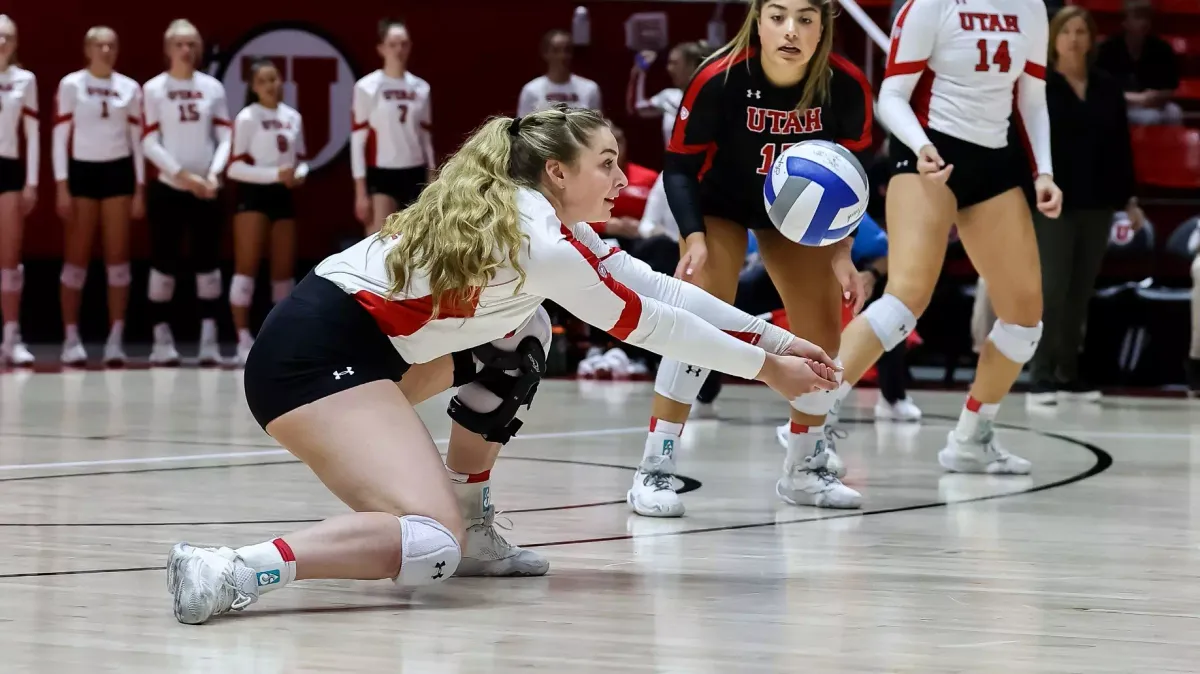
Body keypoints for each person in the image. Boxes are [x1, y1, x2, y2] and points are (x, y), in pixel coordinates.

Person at [165, 106, 840, 625]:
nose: (620, 179)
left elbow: (656, 285)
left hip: (362, 351)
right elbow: (648, 323)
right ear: (558, 172)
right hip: (311, 362)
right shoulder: (536, 238)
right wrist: (765, 370)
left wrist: (775, 340)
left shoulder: (545, 222)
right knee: (431, 548)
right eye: (607, 163)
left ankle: (471, 520)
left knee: (524, 332)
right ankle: (231, 570)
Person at [627, 0, 874, 518]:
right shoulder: (718, 77)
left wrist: (843, 251)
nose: (791, 30)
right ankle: (656, 465)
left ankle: (805, 468)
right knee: (699, 317)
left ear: (823, 24)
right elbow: (677, 168)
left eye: (806, 18)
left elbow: (854, 173)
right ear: (756, 20)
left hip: (793, 218)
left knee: (821, 333)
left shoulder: (845, 84)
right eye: (778, 16)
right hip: (719, 206)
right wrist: (692, 236)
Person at [832, 0, 1062, 475]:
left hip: (994, 162)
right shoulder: (929, 6)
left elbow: (1032, 98)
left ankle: (972, 438)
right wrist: (921, 147)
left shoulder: (1032, 8)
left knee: (1024, 319)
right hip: (926, 152)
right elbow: (891, 96)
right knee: (907, 296)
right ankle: (811, 414)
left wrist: (1045, 172)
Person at [1028, 6, 1141, 406]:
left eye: (1081, 31)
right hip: (1053, 203)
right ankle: (1039, 373)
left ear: (1092, 39)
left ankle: (1067, 372)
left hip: (1098, 201)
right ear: (1052, 38)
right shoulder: (1038, 85)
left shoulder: (1107, 86)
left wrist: (1129, 199)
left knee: (1081, 291)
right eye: (1066, 31)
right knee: (1053, 287)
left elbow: (1120, 147)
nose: (1074, 38)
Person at [52, 26, 144, 366]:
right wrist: (62, 184)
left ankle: (115, 339)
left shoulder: (129, 88)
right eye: (99, 45)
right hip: (82, 171)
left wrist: (138, 189)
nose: (106, 50)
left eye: (111, 45)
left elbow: (136, 141)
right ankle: (70, 337)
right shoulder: (71, 84)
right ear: (87, 49)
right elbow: (60, 136)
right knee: (75, 255)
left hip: (118, 172)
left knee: (118, 257)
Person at [141, 19, 231, 366]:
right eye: (179, 44)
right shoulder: (153, 89)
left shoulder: (213, 88)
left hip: (206, 190)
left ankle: (209, 341)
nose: (186, 50)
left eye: (192, 44)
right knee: (163, 263)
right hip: (169, 188)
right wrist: (182, 176)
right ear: (168, 49)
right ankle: (161, 340)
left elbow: (225, 137)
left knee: (208, 264)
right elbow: (149, 141)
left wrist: (212, 174)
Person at [227, 60, 307, 366]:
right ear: (253, 86)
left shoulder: (292, 117)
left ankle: (279, 339)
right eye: (263, 81)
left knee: (282, 275)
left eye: (274, 79)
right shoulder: (247, 117)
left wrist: (299, 173)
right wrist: (275, 174)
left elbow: (301, 159)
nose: (270, 85)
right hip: (254, 195)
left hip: (283, 197)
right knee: (246, 268)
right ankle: (241, 338)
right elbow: (234, 166)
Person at [351, 18, 434, 235]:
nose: (399, 49)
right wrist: (360, 193)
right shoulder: (366, 87)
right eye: (393, 44)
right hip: (381, 174)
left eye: (404, 44)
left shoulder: (421, 88)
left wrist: (432, 178)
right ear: (381, 48)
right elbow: (357, 142)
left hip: (414, 172)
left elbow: (425, 138)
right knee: (378, 243)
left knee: (416, 243)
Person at [0, 15, 37, 366]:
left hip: (9, 167)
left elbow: (33, 134)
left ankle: (12, 336)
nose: (2, 42)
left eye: (8, 36)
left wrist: (32, 182)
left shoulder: (25, 80)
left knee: (9, 256)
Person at [1095, 0, 1182, 126]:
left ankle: (1174, 146)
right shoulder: (1107, 49)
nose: (1144, 22)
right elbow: (1102, 90)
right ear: (1124, 22)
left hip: (1154, 103)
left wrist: (1156, 97)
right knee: (1150, 118)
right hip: (1120, 104)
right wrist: (1139, 99)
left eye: (1147, 17)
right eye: (1138, 17)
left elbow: (1170, 87)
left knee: (1175, 112)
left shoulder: (1162, 49)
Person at [626, 41, 712, 147]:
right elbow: (636, 108)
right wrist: (639, 70)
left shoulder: (715, 97)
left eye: (675, 63)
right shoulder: (668, 97)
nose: (669, 68)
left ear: (692, 65)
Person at [517, 29, 602, 117]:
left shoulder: (590, 88)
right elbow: (522, 127)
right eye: (556, 51)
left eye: (567, 50)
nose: (562, 56)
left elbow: (597, 125)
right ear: (545, 53)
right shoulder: (531, 90)